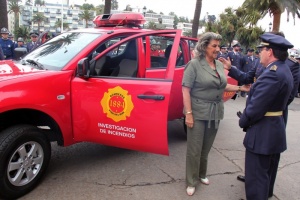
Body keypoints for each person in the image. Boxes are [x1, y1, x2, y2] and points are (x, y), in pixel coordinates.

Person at [221, 32, 300, 197]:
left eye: (262, 49)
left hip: (263, 130)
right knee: (261, 176)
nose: (259, 53)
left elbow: (256, 107)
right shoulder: (280, 69)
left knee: (257, 179)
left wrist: (243, 121)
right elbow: (248, 78)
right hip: (272, 128)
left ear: (270, 51)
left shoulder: (273, 74)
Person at [182, 32, 249, 196]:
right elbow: (185, 90)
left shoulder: (219, 65)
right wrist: (188, 114)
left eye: (219, 46)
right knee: (194, 149)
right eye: (214, 46)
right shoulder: (194, 65)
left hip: (215, 111)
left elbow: (222, 86)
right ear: (204, 46)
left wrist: (241, 88)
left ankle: (201, 174)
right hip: (197, 112)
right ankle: (191, 180)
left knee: (206, 148)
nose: (218, 49)